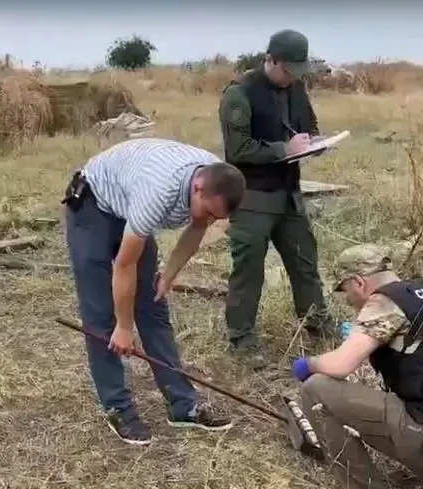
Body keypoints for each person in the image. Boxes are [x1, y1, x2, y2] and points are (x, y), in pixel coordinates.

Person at [61, 137, 245, 445]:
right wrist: (123, 327)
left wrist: (168, 275)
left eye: (217, 217)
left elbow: (197, 229)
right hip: (93, 205)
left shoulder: (216, 179)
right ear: (197, 187)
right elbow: (124, 265)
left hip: (129, 202)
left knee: (154, 306)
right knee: (101, 314)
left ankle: (183, 405)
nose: (209, 220)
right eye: (208, 211)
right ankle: (118, 407)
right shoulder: (158, 192)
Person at [218, 29, 337, 369]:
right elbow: (238, 149)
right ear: (269, 59)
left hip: (289, 194)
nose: (292, 78)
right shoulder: (239, 93)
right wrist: (285, 149)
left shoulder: (296, 86)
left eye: (297, 72)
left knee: (305, 261)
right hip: (252, 195)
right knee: (249, 269)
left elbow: (308, 125)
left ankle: (317, 323)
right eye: (287, 70)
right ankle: (242, 338)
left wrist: (315, 143)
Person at [291, 244, 421, 489]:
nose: (348, 299)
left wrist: (308, 363)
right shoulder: (416, 294)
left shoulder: (385, 302)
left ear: (359, 282)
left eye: (346, 290)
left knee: (317, 388)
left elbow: (341, 364)